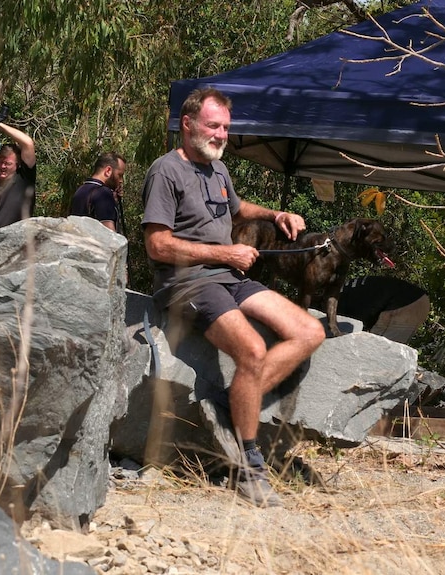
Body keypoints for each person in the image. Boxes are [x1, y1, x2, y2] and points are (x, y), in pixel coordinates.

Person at [142, 87, 325, 508]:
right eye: (213, 125)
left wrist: (275, 215)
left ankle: (235, 398)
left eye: (225, 127)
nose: (221, 134)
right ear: (187, 124)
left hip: (229, 277)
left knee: (309, 330)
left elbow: (237, 210)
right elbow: (158, 246)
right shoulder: (165, 171)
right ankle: (249, 466)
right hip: (188, 283)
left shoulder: (217, 170)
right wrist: (226, 253)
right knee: (253, 351)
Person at [334, 276, 430, 344]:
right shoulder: (349, 291)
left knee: (376, 349)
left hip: (404, 305)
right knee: (387, 352)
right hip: (417, 299)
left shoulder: (339, 305)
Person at [70, 152, 126, 232]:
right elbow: (109, 235)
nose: (121, 180)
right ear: (108, 171)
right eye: (119, 175)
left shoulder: (80, 191)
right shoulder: (103, 194)